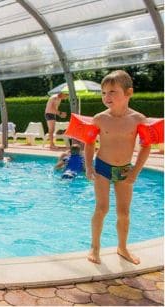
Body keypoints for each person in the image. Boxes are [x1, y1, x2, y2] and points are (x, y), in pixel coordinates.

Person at [83, 70, 151, 265]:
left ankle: (122, 247)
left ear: (128, 93)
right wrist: (89, 167)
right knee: (102, 208)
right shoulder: (100, 118)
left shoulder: (138, 119)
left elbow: (146, 146)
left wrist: (135, 172)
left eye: (112, 92)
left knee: (124, 213)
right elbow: (89, 143)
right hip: (102, 167)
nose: (107, 97)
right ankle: (95, 248)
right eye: (104, 93)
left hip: (124, 169)